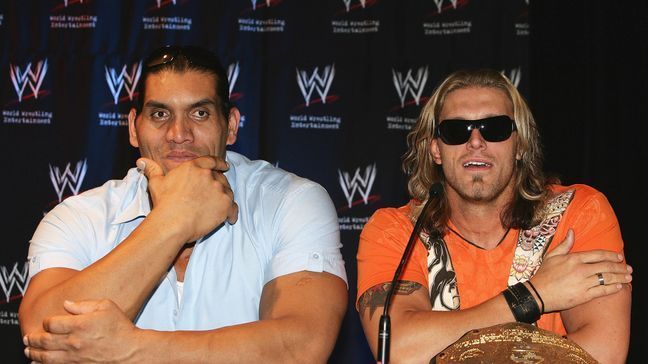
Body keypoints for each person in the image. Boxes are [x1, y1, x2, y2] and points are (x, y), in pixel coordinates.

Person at [20, 45, 348, 363]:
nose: (179, 133)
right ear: (134, 128)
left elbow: (302, 347)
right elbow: (41, 334)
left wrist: (134, 351)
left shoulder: (290, 202)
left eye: (200, 113)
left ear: (230, 126)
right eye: (160, 114)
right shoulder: (78, 217)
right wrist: (173, 221)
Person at [356, 69, 632, 363]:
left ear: (520, 145)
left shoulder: (579, 212)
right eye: (456, 131)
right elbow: (398, 350)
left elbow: (603, 353)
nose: (475, 141)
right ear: (436, 149)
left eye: (495, 128)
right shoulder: (395, 231)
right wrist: (534, 295)